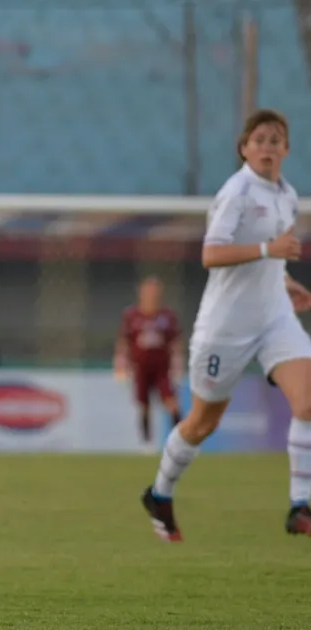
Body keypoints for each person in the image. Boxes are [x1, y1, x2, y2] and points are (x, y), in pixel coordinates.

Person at [141, 109, 311, 542]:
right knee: (203, 422)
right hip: (226, 327)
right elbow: (212, 255)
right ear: (244, 149)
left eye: (276, 140)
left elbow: (268, 260)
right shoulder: (236, 193)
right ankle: (160, 493)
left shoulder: (288, 195)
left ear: (287, 150)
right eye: (260, 140)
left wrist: (287, 281)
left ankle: (300, 505)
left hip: (274, 316)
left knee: (307, 402)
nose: (268, 147)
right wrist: (268, 249)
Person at [114, 276, 183, 447]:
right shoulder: (131, 315)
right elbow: (124, 342)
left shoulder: (167, 316)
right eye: (148, 291)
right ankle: (146, 443)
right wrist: (120, 365)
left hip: (162, 369)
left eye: (155, 291)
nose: (152, 295)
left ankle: (182, 442)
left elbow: (175, 342)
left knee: (172, 404)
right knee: (144, 406)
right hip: (140, 368)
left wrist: (178, 364)